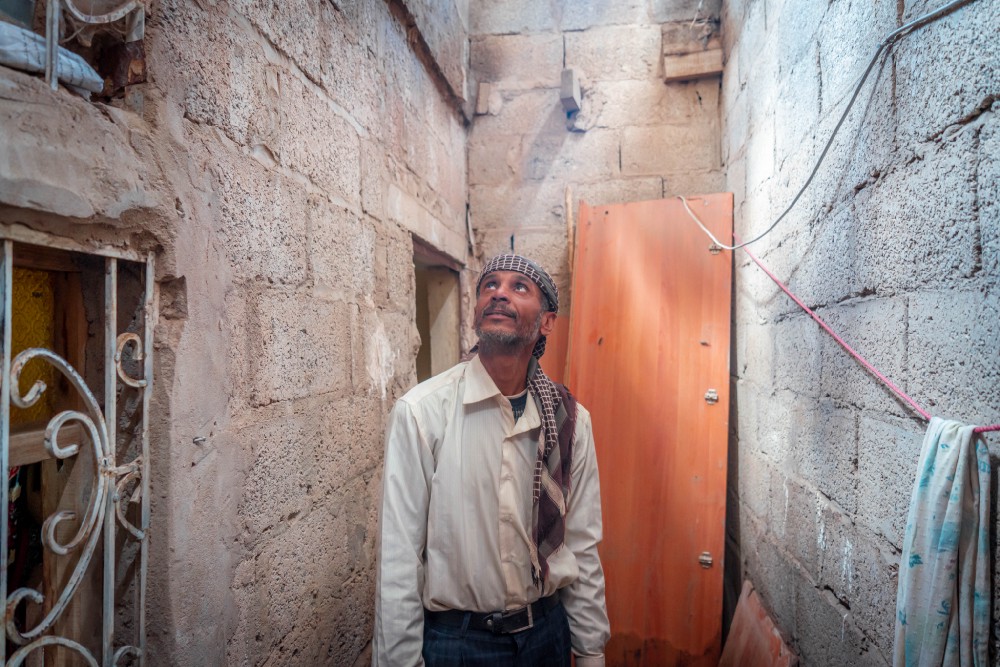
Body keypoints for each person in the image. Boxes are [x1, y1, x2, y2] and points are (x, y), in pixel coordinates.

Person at [373, 254, 610, 666]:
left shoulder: (570, 419)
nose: (499, 293)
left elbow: (581, 544)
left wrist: (590, 652)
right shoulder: (423, 413)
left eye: (519, 287)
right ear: (476, 311)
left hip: (547, 635)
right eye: (490, 285)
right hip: (457, 643)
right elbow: (398, 560)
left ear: (547, 322)